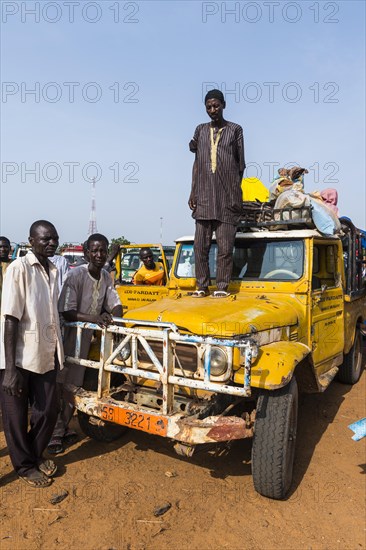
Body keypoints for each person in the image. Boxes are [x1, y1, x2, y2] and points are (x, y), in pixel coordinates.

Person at [0, 221, 64, 487]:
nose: (51, 243)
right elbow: (10, 318)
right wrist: (11, 369)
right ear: (31, 241)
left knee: (48, 410)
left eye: (55, 238)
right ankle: (25, 467)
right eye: (45, 238)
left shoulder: (53, 269)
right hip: (18, 357)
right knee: (15, 417)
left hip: (45, 353)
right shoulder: (19, 268)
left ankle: (33, 454)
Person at [48, 233, 122, 454]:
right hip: (67, 337)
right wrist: (96, 319)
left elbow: (115, 303)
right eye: (95, 250)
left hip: (85, 340)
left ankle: (60, 432)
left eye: (103, 250)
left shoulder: (107, 277)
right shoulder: (75, 276)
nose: (99, 255)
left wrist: (117, 321)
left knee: (74, 387)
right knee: (59, 387)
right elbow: (68, 311)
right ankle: (52, 434)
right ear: (87, 253)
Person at [188, 89, 245, 298]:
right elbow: (196, 163)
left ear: (224, 105)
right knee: (199, 247)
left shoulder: (235, 130)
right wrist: (193, 191)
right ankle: (202, 286)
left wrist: (234, 193)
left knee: (225, 247)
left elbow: (241, 165)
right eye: (209, 107)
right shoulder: (200, 130)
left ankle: (221, 286)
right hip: (203, 197)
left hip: (226, 199)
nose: (213, 110)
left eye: (216, 106)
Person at [0, 236, 12, 310]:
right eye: (0, 247)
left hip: (9, 307)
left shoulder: (16, 265)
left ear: (10, 248)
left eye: (5, 247)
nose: (3, 249)